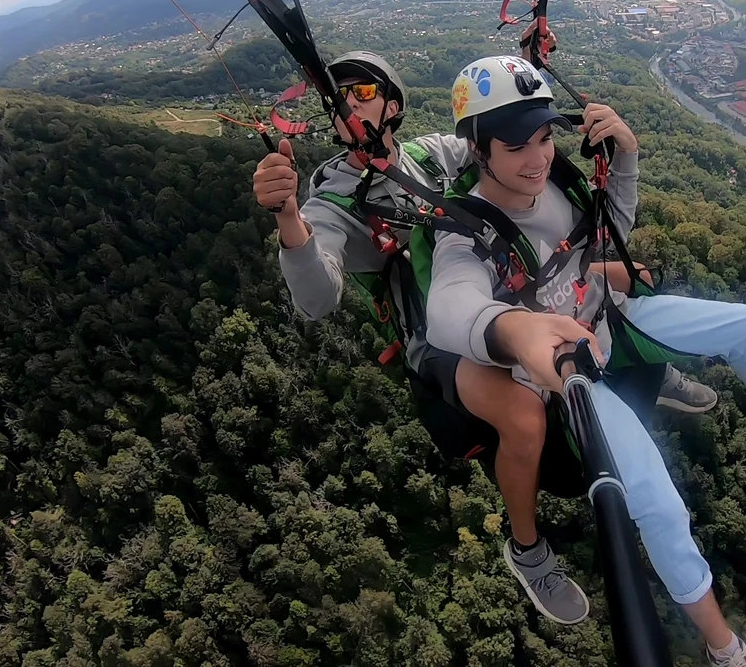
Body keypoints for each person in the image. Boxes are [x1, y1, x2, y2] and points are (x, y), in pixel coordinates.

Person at [251, 46, 718, 627]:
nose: (349, 103)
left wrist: (528, 85)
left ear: (392, 104)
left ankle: (650, 368)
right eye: (339, 96)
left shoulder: (432, 155)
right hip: (437, 335)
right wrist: (290, 221)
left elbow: (501, 151)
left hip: (507, 288)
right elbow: (318, 299)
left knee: (630, 275)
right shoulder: (334, 203)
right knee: (524, 416)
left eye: (363, 92)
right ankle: (527, 549)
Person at [421, 55, 746, 666]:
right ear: (478, 149)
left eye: (544, 138)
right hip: (568, 367)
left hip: (607, 317)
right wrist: (514, 329)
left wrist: (627, 157)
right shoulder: (464, 229)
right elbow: (450, 307)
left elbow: (607, 234)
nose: (537, 157)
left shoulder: (554, 183)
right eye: (516, 146)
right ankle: (724, 647)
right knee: (656, 499)